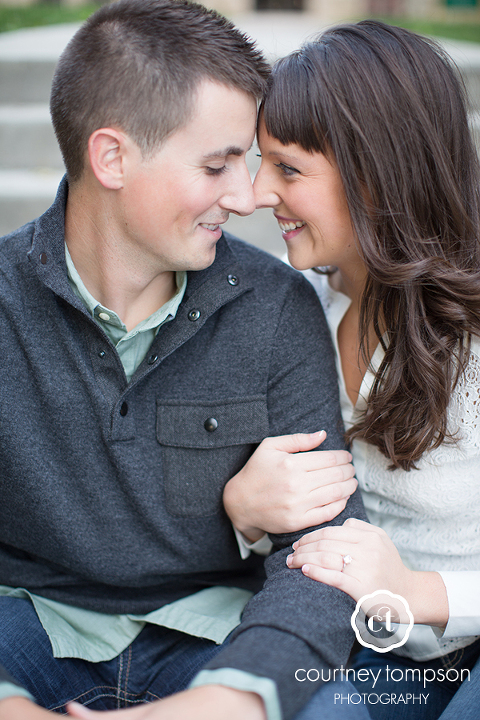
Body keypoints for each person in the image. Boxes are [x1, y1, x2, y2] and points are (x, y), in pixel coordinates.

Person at [0, 2, 365, 720]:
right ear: (112, 157)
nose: (244, 196)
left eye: (247, 161)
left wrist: (233, 699)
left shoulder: (275, 306)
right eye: (216, 165)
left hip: (215, 637)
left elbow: (325, 552)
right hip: (25, 627)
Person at [241, 19, 480, 719]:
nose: (257, 194)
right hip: (364, 649)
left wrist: (418, 591)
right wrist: (244, 515)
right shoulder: (298, 312)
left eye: (287, 168)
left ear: (376, 176)